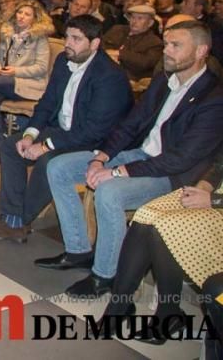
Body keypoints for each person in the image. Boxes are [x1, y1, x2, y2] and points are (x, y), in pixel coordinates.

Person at [40, 20, 223, 297]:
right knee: (59, 167)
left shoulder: (213, 97)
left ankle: (106, 275)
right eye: (167, 45)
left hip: (172, 175)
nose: (167, 52)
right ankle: (78, 250)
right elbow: (131, 124)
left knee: (109, 192)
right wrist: (102, 157)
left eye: (176, 46)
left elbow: (181, 158)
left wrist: (117, 172)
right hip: (143, 155)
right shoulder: (164, 79)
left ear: (201, 51)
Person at [0, 15, 132, 243]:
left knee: (48, 160)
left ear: (95, 43)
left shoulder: (109, 76)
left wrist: (45, 145)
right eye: (67, 36)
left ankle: (19, 221)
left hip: (98, 142)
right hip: (65, 131)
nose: (68, 43)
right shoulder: (63, 61)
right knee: (11, 146)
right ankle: (11, 218)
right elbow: (47, 103)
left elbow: (94, 131)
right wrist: (30, 134)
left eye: (76, 39)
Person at [101, 151, 223, 349]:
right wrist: (202, 188)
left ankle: (168, 314)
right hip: (213, 195)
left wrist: (213, 200)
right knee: (145, 215)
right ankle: (118, 307)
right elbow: (219, 165)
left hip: (219, 205)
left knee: (164, 227)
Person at [0, 0, 55, 151]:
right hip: (6, 82)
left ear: (35, 19)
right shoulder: (8, 33)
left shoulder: (40, 38)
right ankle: (0, 144)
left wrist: (15, 71)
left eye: (27, 14)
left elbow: (41, 68)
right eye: (19, 12)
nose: (21, 16)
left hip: (30, 84)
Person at [101, 4, 163, 82]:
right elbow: (100, 45)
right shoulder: (116, 29)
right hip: (103, 69)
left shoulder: (155, 42)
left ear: (150, 23)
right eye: (133, 17)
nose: (134, 21)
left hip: (129, 80)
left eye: (140, 18)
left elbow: (145, 63)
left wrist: (119, 54)